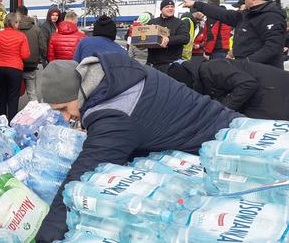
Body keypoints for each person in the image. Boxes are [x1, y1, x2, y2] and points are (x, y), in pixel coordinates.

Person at [35, 53, 241, 242]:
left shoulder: (114, 114)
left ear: (77, 92)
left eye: (64, 108)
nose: (66, 117)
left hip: (226, 154)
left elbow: (83, 174)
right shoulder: (117, 72)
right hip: (228, 126)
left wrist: (46, 235)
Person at [183, 0, 287, 69]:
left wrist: (247, 62)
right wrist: (196, 5)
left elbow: (272, 47)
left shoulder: (272, 17)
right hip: (246, 69)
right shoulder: (246, 15)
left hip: (265, 73)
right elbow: (222, 14)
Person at [167, 59, 289, 121]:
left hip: (274, 92)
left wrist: (222, 109)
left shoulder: (210, 68)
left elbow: (247, 84)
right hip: (263, 97)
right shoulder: (202, 79)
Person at [0, 13, 30, 119]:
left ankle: (1, 122)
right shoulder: (21, 36)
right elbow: (25, 55)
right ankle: (12, 121)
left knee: (1, 96)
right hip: (15, 68)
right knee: (13, 97)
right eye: (18, 22)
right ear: (14, 23)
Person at [145, 0, 189, 72]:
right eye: (167, 7)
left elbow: (185, 38)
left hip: (171, 63)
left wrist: (169, 39)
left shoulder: (179, 23)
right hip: (153, 63)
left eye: (172, 6)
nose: (170, 8)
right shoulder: (152, 22)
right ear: (161, 9)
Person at [16, 6, 45, 102]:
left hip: (16, 64)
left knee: (14, 92)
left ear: (18, 14)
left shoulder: (15, 28)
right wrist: (39, 57)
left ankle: (12, 115)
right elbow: (42, 47)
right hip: (31, 63)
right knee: (32, 92)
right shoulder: (36, 29)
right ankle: (35, 112)